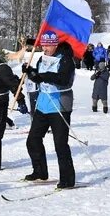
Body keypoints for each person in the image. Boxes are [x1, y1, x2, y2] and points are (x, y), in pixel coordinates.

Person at [22, 31, 76, 188]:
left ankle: (67, 179)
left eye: (47, 45)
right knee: (32, 140)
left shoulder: (65, 59)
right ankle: (40, 171)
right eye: (43, 45)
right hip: (42, 105)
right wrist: (30, 72)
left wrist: (42, 76)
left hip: (59, 106)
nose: (44, 48)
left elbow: (63, 80)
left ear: (55, 44)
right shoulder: (42, 58)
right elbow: (38, 76)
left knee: (60, 144)